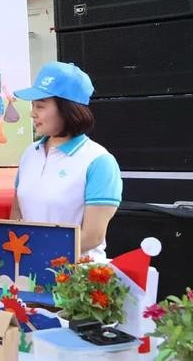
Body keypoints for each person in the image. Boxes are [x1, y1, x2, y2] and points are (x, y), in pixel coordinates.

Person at [11, 61, 122, 260]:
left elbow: (93, 236)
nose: (32, 113)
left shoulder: (99, 161)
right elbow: (17, 213)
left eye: (41, 106)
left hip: (75, 280)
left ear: (67, 109)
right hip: (27, 271)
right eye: (33, 106)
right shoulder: (29, 153)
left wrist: (40, 256)